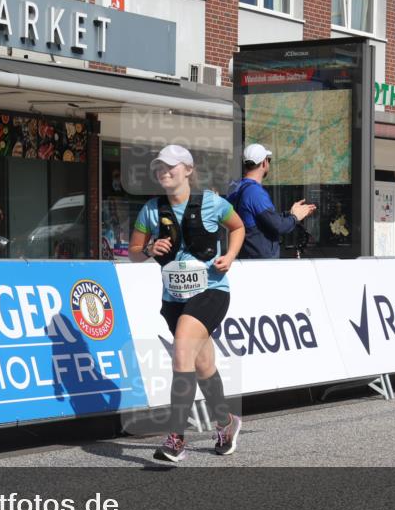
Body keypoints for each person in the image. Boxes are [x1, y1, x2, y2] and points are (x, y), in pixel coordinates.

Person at [129, 145, 246, 463]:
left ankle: (175, 437)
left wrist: (230, 256)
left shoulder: (212, 203)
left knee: (182, 348)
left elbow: (237, 227)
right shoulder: (151, 210)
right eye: (159, 167)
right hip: (174, 298)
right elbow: (134, 251)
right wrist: (149, 249)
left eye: (170, 166)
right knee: (203, 365)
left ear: (188, 170)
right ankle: (225, 422)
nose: (163, 172)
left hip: (211, 291)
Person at [227, 143, 317, 259]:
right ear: (264, 163)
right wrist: (295, 217)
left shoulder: (238, 187)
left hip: (248, 257)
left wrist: (290, 214)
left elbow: (265, 220)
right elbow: (279, 226)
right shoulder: (254, 192)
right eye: (268, 160)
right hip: (261, 262)